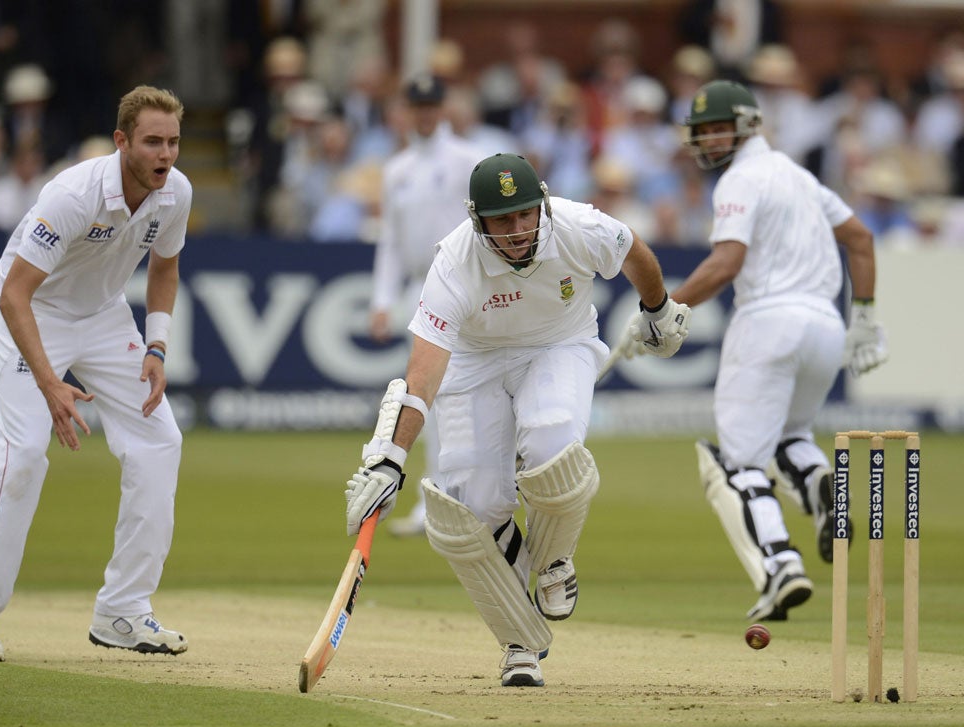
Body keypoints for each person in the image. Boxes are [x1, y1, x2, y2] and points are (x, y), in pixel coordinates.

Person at [344, 153, 691, 686]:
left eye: (526, 214)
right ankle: (520, 645)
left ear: (543, 204)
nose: (518, 229)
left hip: (560, 343)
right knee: (470, 511)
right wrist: (389, 461)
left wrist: (657, 308)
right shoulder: (454, 262)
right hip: (473, 359)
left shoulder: (578, 225)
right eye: (502, 221)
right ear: (477, 220)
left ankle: (553, 562)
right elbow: (422, 375)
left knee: (553, 446)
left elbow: (633, 251)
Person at [0, 86, 192, 662]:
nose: (166, 154)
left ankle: (123, 611)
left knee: (161, 441)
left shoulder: (174, 192)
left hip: (105, 316)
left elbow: (166, 266)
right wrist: (50, 382)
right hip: (34, 313)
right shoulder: (74, 194)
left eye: (174, 142)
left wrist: (156, 346)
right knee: (22, 455)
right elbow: (14, 293)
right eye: (153, 142)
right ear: (122, 141)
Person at [641, 80, 888, 623]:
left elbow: (726, 264)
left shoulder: (739, 179)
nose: (707, 140)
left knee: (737, 462)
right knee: (788, 437)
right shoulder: (801, 177)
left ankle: (780, 564)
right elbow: (862, 240)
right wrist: (864, 317)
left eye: (716, 128)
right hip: (825, 327)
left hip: (768, 322)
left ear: (748, 124)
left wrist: (663, 307)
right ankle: (823, 484)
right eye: (700, 132)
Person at [369, 73, 486, 537]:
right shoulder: (396, 169)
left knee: (469, 394)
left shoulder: (468, 159)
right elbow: (391, 242)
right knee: (428, 396)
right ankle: (435, 499)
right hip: (422, 288)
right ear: (406, 109)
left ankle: (470, 497)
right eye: (417, 106)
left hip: (466, 286)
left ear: (443, 107)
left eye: (432, 105)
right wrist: (382, 299)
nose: (425, 114)